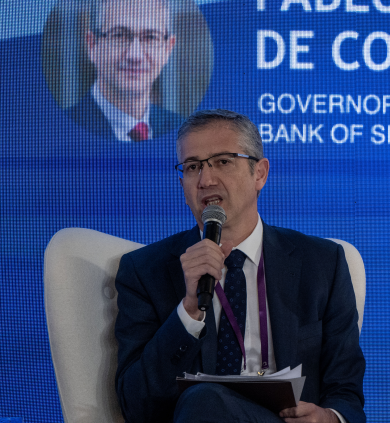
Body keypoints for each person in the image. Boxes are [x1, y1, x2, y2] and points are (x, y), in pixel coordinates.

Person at [114, 109, 365, 423]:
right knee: (205, 401)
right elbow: (135, 404)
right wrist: (189, 311)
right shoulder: (144, 271)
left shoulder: (322, 263)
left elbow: (347, 392)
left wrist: (330, 418)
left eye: (222, 161)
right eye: (193, 167)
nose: (206, 180)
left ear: (259, 174)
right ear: (183, 185)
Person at [66, 0, 182, 141]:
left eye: (151, 37)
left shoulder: (183, 130)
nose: (135, 55)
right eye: (119, 35)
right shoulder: (62, 130)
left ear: (168, 49)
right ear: (92, 45)